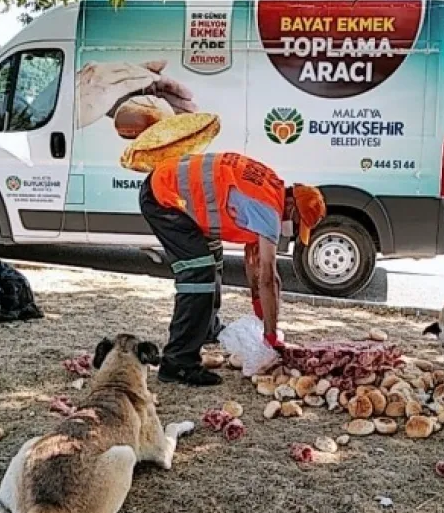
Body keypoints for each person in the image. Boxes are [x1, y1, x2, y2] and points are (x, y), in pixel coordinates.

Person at [139, 152, 327, 386]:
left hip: (167, 183)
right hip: (164, 197)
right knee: (199, 271)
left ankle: (206, 327)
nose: (291, 228)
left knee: (213, 256)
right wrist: (271, 336)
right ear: (292, 206)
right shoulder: (268, 211)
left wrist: (261, 319)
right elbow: (269, 278)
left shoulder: (271, 187)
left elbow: (254, 268)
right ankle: (178, 363)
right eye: (296, 222)